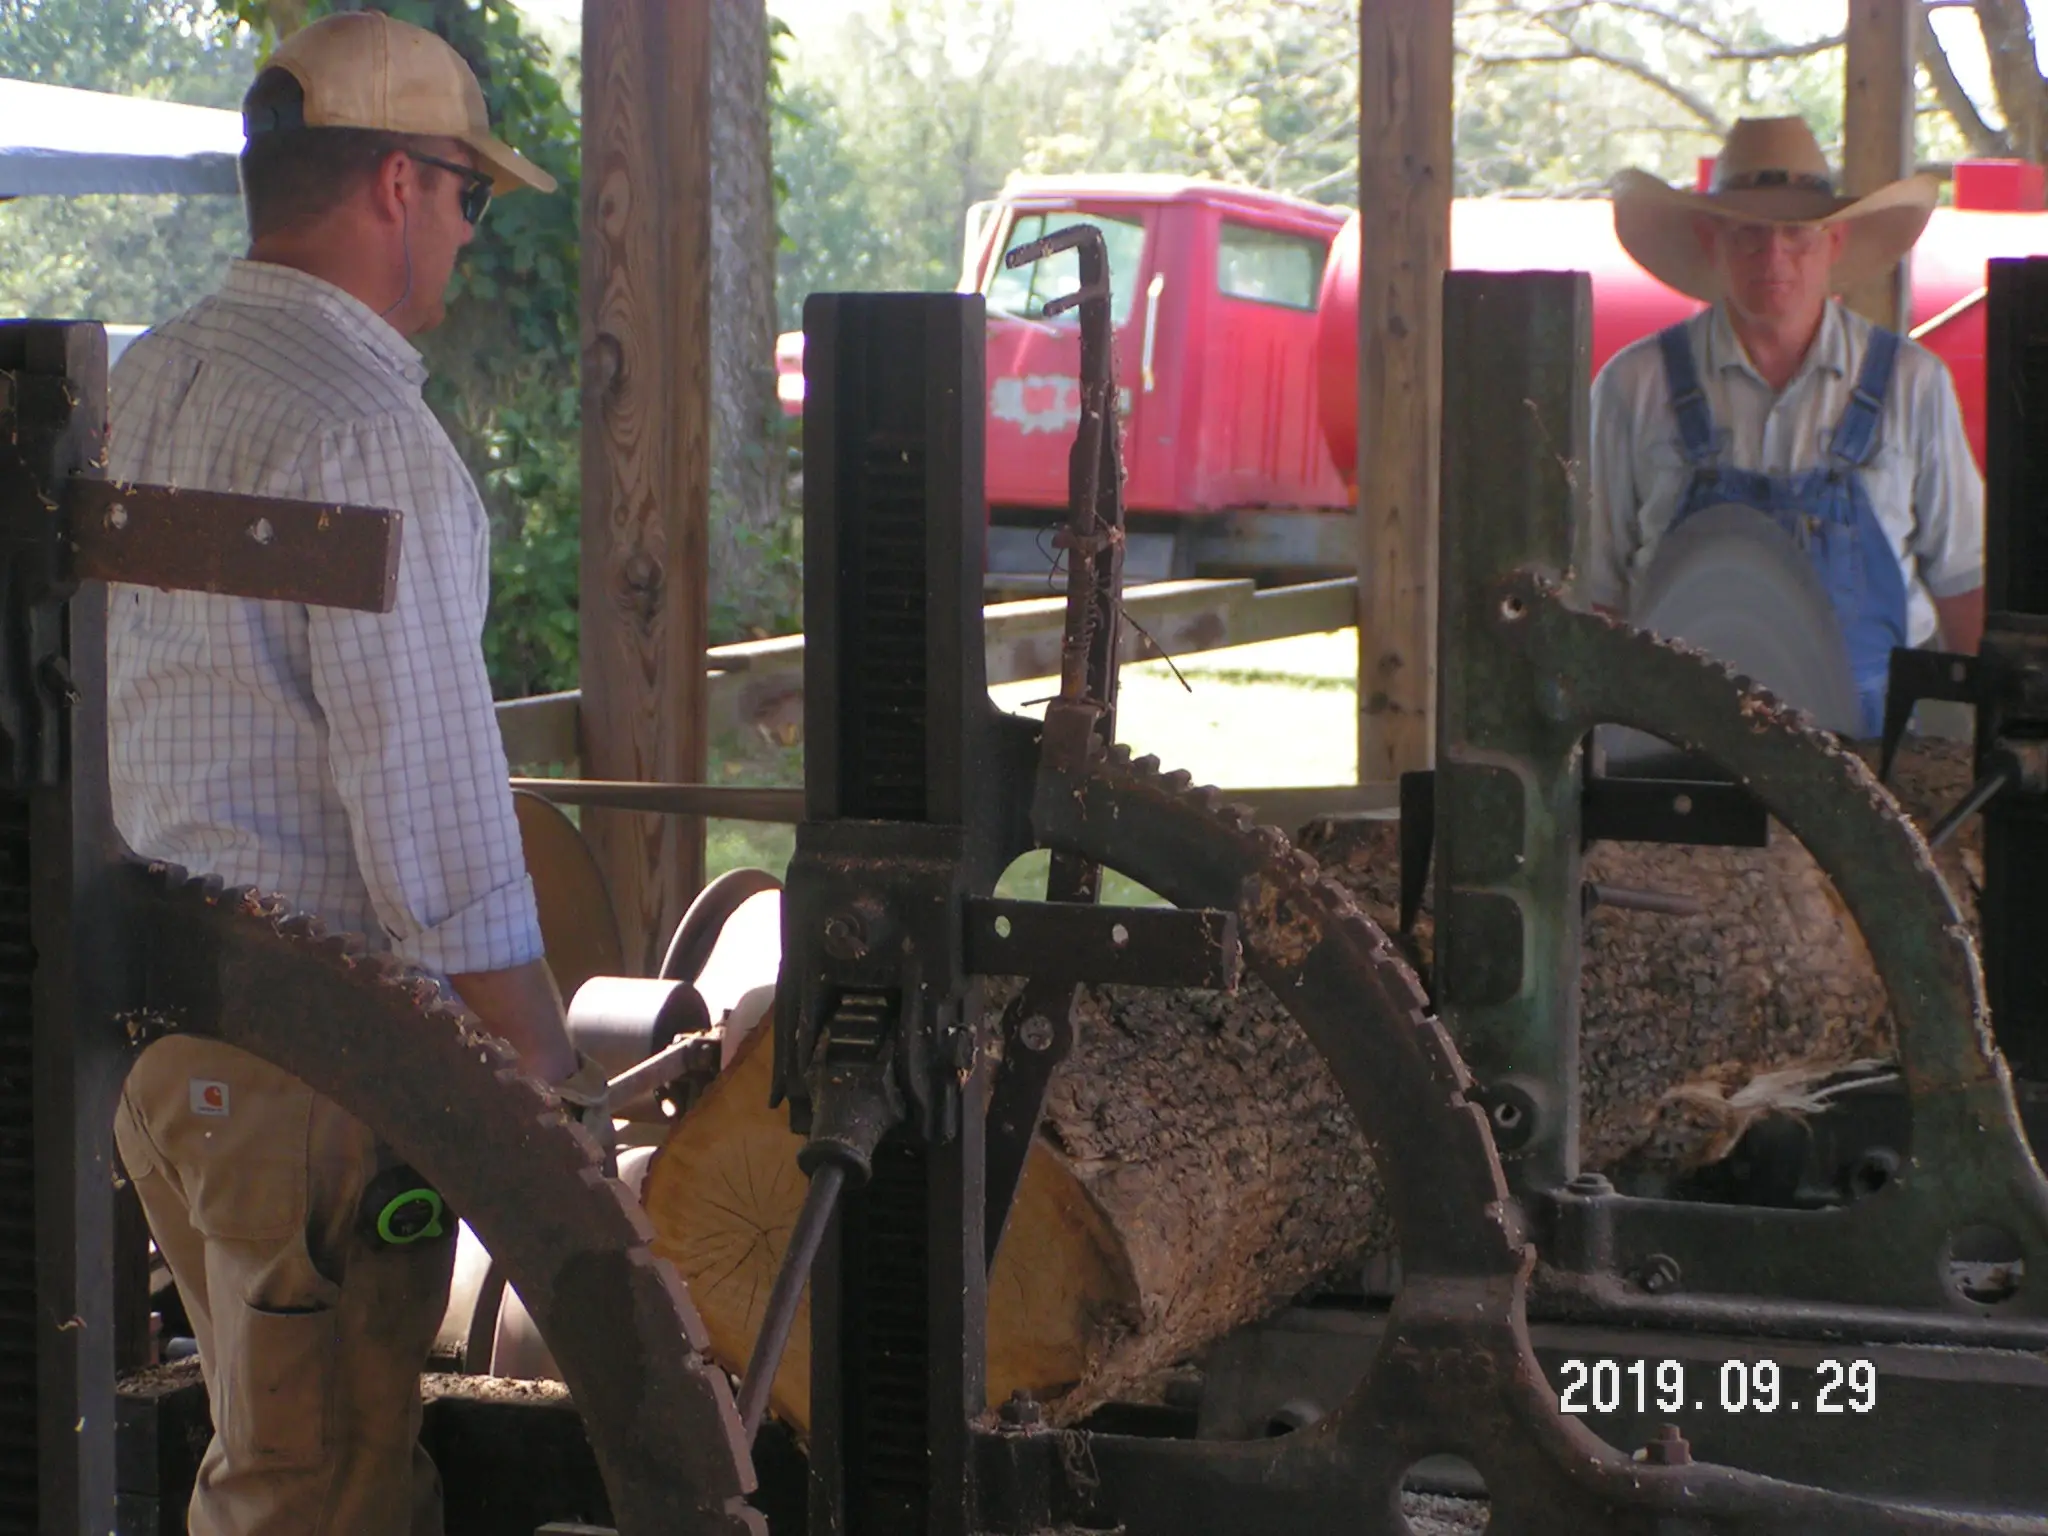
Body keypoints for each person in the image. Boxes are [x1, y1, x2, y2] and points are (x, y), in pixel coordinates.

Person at [105, 12, 598, 1533]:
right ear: (399, 182)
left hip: (155, 1065)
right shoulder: (369, 434)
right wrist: (542, 1074)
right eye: (471, 196)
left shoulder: (136, 390)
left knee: (272, 1454)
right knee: (316, 1496)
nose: (465, 231)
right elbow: (434, 818)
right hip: (313, 1082)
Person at [1584, 116, 1986, 738]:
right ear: (1710, 237)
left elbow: (1964, 583)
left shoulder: (1912, 385)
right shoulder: (1633, 388)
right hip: (1675, 753)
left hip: (1874, 758)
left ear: (1836, 242)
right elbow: (1598, 591)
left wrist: (1990, 742)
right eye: (1749, 234)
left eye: (1796, 235)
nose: (1773, 257)